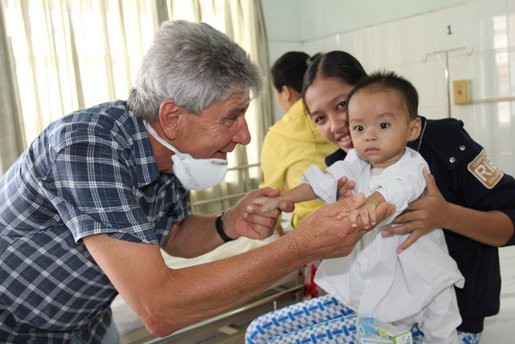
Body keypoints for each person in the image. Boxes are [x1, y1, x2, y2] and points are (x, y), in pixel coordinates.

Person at [0, 24, 395, 343]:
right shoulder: (88, 149)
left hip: (87, 324)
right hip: (17, 329)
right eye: (231, 117)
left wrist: (228, 222)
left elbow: (173, 233)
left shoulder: (169, 154)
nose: (244, 136)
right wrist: (301, 246)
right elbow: (160, 309)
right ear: (172, 117)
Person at [246, 51, 515, 344]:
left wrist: (445, 215)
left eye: (343, 105)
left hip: (441, 312)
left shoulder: (445, 144)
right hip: (376, 298)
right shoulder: (348, 161)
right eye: (320, 118)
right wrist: (287, 200)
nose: (337, 124)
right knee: (260, 332)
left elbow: (511, 218)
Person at [261, 51, 336, 230]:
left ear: (285, 92)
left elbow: (269, 194)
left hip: (311, 227)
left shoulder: (279, 136)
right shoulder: (340, 116)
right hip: (354, 216)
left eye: (276, 92)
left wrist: (279, 238)